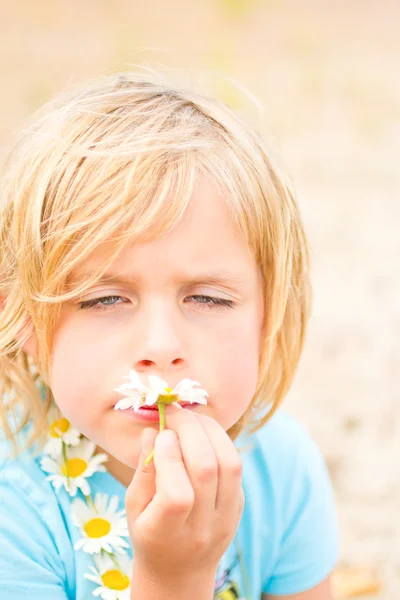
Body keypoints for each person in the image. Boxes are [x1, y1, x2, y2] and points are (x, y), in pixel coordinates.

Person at [0, 71, 339, 600]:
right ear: (21, 317)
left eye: (207, 298)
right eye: (103, 298)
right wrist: (173, 580)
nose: (160, 347)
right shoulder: (12, 512)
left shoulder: (283, 469)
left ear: (270, 314)